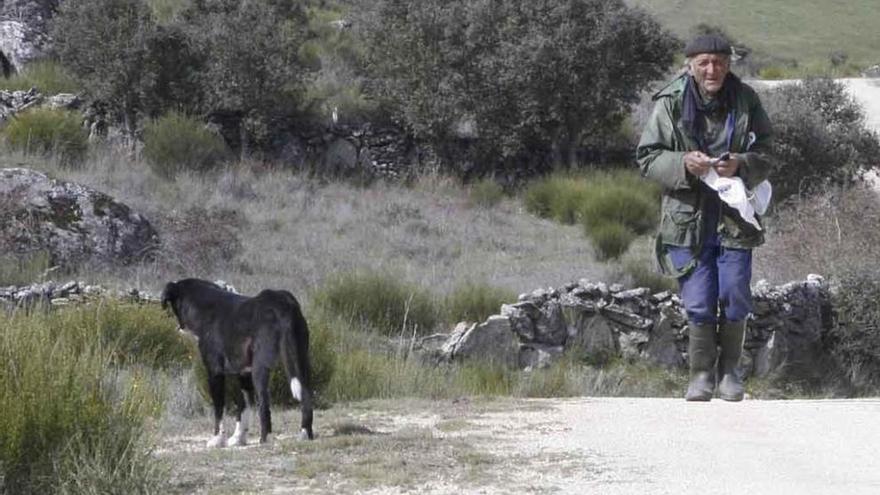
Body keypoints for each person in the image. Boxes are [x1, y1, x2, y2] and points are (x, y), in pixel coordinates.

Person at [636, 34, 773, 401]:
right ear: (690, 66)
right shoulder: (669, 102)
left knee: (735, 293)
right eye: (704, 63)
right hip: (686, 219)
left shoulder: (746, 100)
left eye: (719, 62)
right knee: (698, 300)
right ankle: (700, 376)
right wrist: (683, 162)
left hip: (735, 218)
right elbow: (648, 157)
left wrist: (741, 163)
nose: (712, 69)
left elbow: (767, 151)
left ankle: (730, 373)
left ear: (729, 64)